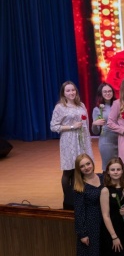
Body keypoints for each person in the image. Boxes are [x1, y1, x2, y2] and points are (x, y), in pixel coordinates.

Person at [50, 81, 93, 210]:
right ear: (63, 93)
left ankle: (77, 199)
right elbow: (54, 126)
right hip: (69, 141)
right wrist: (72, 126)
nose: (71, 92)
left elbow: (85, 124)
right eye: (68, 90)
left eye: (73, 90)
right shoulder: (60, 107)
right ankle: (67, 200)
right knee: (68, 170)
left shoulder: (81, 105)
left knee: (79, 170)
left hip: (82, 140)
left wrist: (87, 140)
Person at [73, 153, 105, 256]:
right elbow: (79, 212)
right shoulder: (79, 186)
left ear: (92, 163)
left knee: (99, 254)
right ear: (78, 169)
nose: (86, 167)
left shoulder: (103, 178)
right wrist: (82, 233)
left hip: (103, 221)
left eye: (88, 164)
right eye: (82, 166)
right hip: (90, 224)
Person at [91, 83, 118, 171]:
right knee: (108, 167)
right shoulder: (97, 109)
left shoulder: (118, 105)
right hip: (106, 142)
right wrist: (94, 124)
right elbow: (95, 131)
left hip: (121, 140)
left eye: (109, 91)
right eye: (105, 92)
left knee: (120, 167)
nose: (108, 93)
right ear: (101, 94)